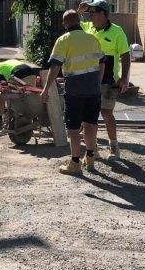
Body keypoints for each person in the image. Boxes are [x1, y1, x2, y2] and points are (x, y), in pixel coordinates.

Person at [40, 10, 105, 176]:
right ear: (79, 21)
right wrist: (97, 82)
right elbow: (102, 62)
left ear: (65, 24)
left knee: (74, 129)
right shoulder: (93, 39)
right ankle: (90, 159)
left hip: (75, 90)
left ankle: (75, 163)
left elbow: (54, 67)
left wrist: (46, 89)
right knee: (90, 125)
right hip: (93, 90)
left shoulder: (63, 40)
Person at [80, 0, 131, 160]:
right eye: (89, 13)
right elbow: (69, 24)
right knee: (90, 116)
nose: (90, 16)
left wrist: (124, 78)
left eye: (93, 13)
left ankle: (114, 147)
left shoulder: (117, 31)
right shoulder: (87, 28)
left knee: (107, 113)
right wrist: (79, 12)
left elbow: (125, 56)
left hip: (109, 81)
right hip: (89, 80)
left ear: (103, 14)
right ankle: (93, 148)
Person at [0, 58, 42, 131]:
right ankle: (34, 118)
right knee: (29, 95)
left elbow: (3, 84)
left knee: (1, 96)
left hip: (19, 75)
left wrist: (2, 89)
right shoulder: (10, 62)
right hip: (31, 73)